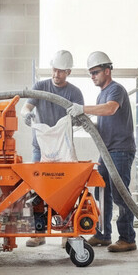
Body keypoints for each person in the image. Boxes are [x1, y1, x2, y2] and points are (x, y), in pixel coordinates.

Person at [67, 51, 137, 252]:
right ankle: (103, 234)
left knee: (120, 195)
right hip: (107, 151)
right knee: (101, 192)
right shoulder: (101, 94)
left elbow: (110, 109)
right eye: (90, 73)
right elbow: (104, 123)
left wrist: (83, 108)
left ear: (107, 71)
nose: (92, 76)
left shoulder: (116, 90)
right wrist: (85, 123)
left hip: (120, 150)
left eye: (95, 72)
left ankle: (127, 238)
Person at [21, 49, 84, 247]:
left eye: (61, 71)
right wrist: (25, 114)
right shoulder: (40, 87)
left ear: (68, 72)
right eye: (55, 70)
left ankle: (66, 232)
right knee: (38, 190)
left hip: (63, 149)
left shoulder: (74, 93)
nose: (56, 74)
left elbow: (80, 118)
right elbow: (27, 106)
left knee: (66, 191)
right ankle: (38, 234)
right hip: (40, 148)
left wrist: (76, 119)